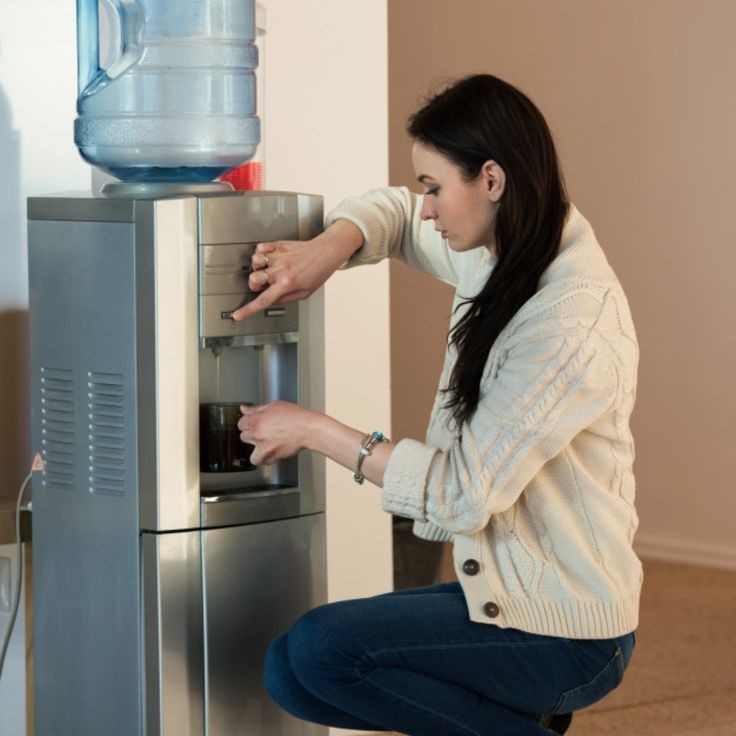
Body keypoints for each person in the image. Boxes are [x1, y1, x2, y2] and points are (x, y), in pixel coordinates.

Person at [233, 74, 642, 736]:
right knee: (288, 669)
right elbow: (393, 214)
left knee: (322, 649)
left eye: (434, 187)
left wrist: (312, 429)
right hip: (509, 592)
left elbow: (460, 497)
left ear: (491, 179)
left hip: (567, 629)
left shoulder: (567, 323)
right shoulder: (506, 247)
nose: (425, 207)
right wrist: (323, 253)